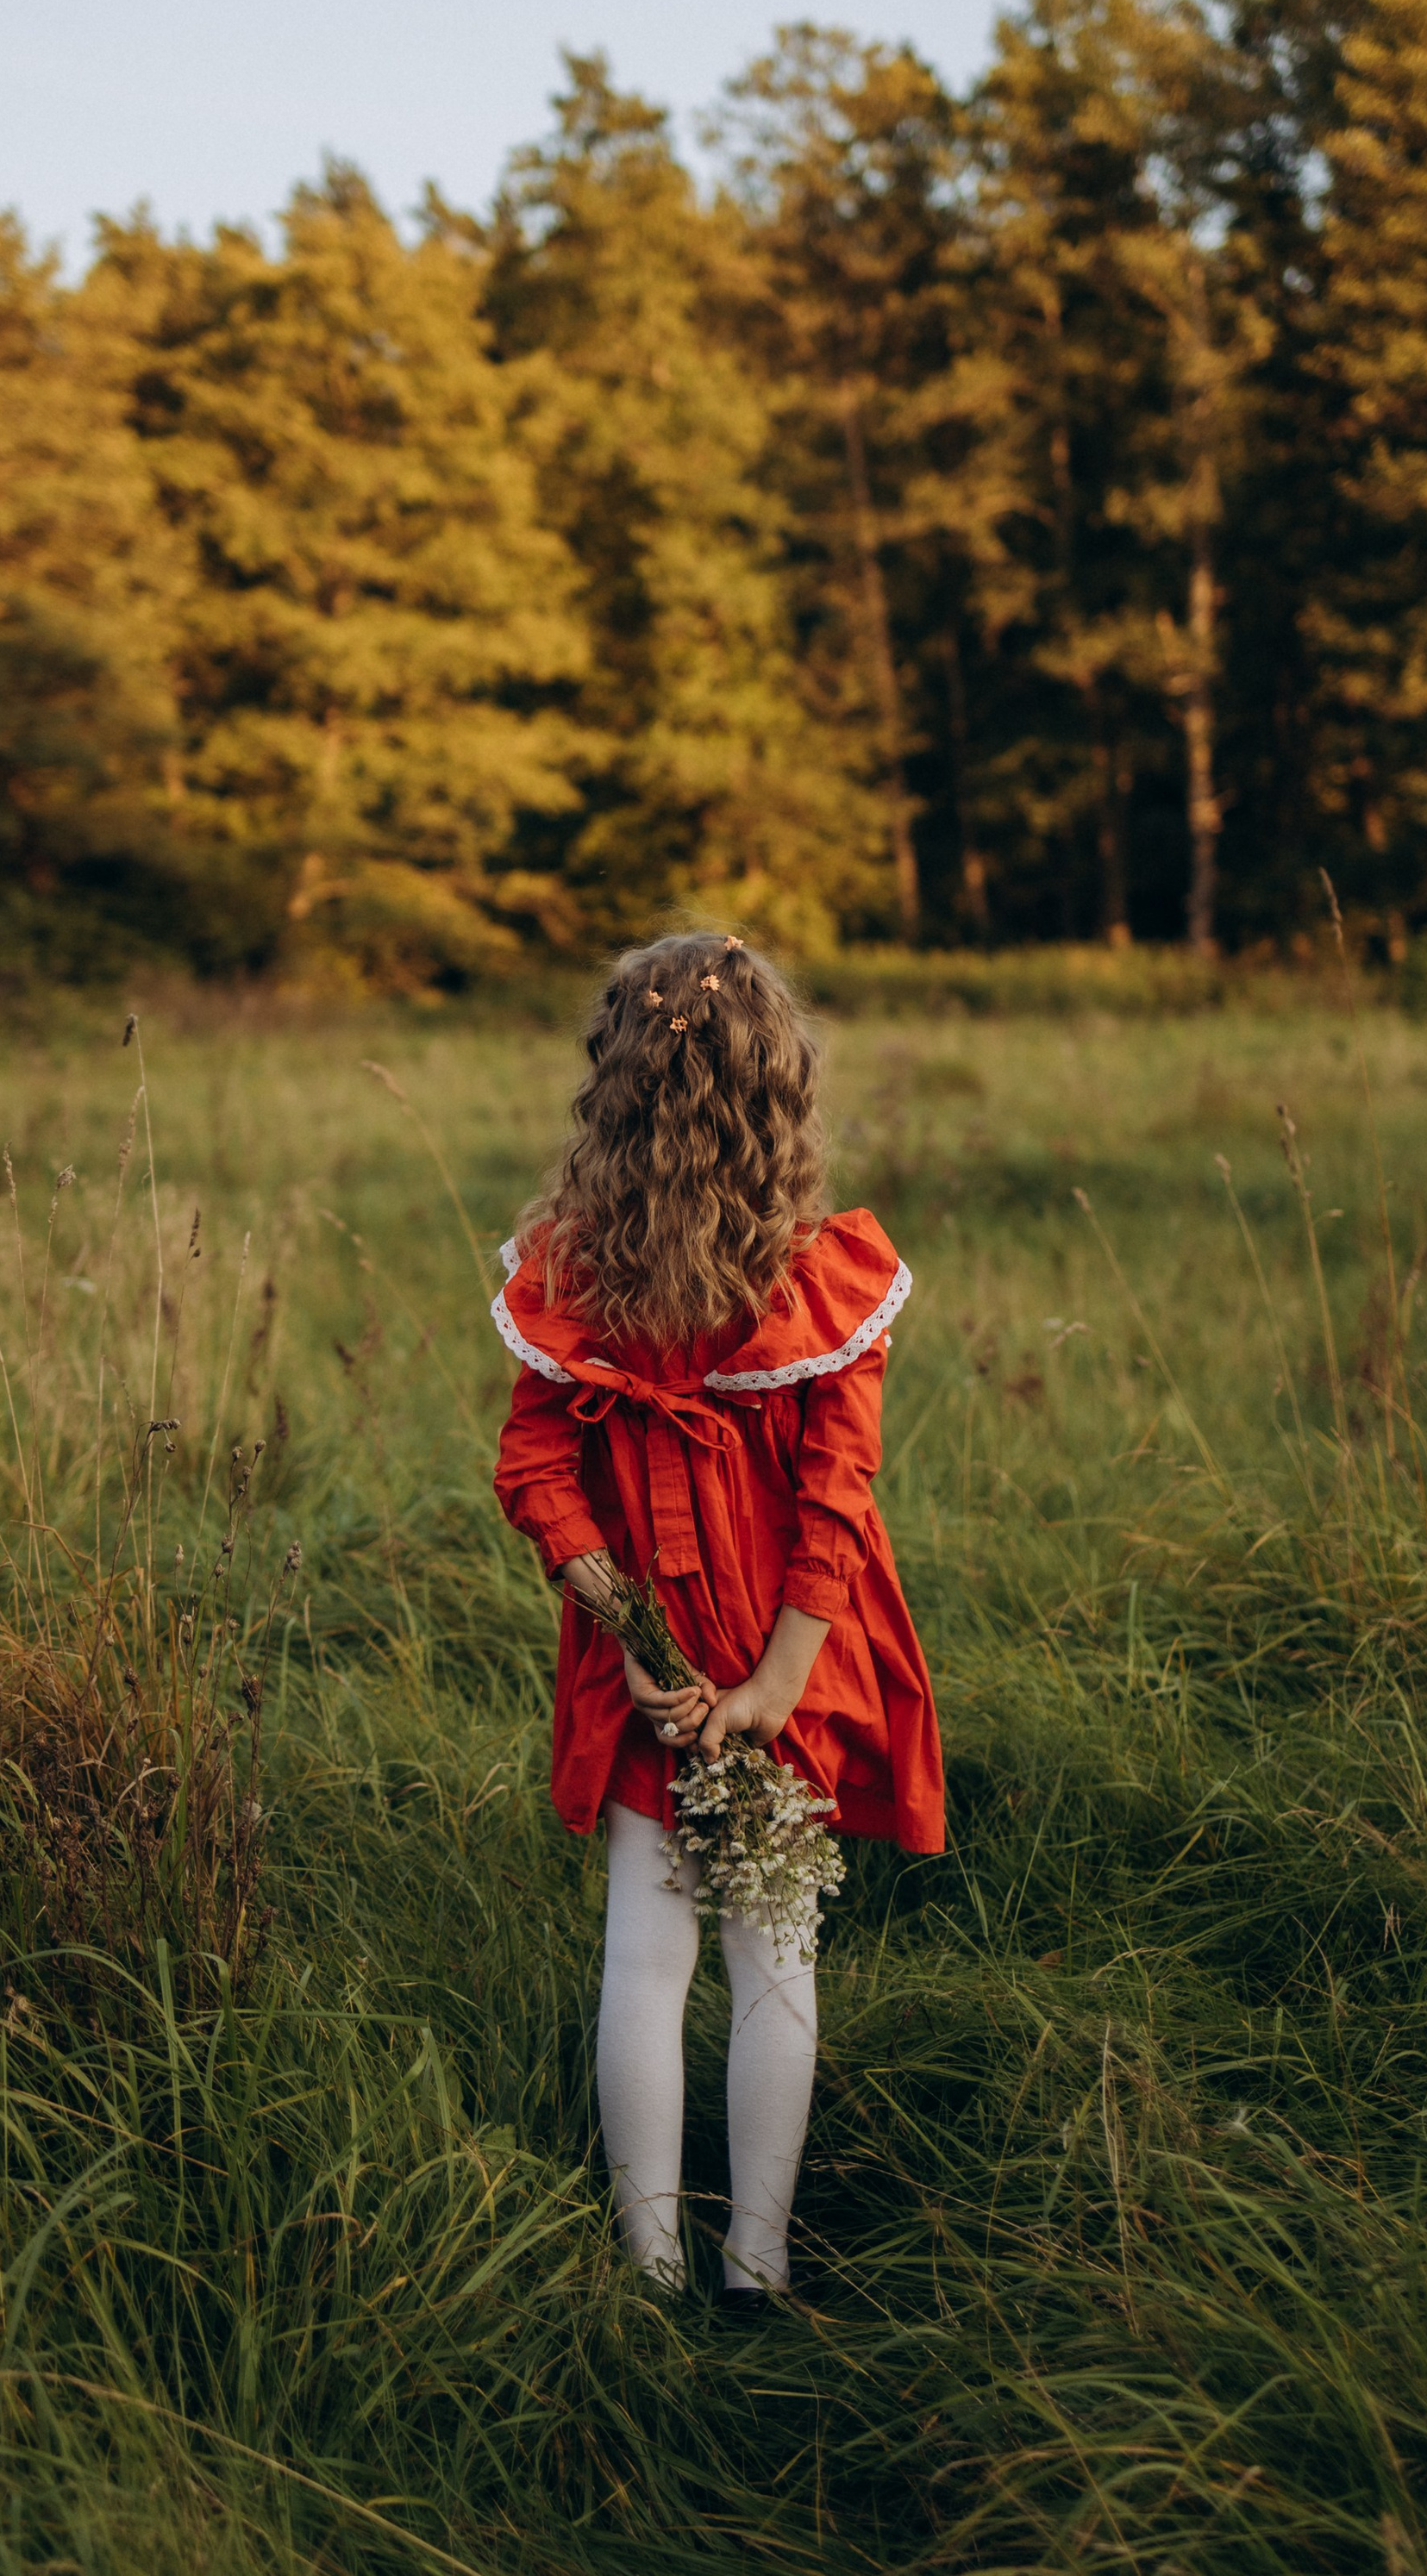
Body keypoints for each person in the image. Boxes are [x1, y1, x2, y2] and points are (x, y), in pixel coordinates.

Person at [491, 930, 945, 2305]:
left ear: (611, 1093)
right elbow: (837, 1500)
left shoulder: (578, 1269)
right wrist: (773, 1683)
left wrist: (636, 1642)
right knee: (774, 1962)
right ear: (779, 1092)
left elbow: (533, 1473)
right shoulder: (817, 1272)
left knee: (644, 1955)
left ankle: (651, 2267)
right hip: (784, 1649)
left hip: (657, 1660)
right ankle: (760, 2262)